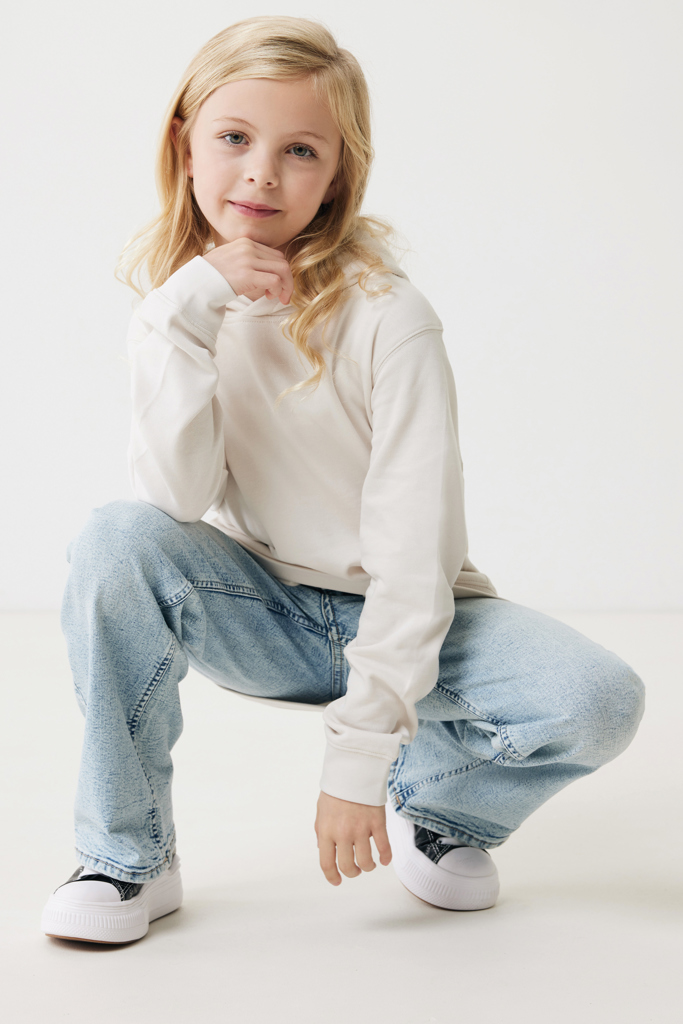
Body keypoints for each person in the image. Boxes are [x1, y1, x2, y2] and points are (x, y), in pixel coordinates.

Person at [41, 16, 646, 944]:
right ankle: (127, 858)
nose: (260, 174)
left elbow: (412, 551)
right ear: (185, 144)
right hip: (263, 611)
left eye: (300, 151)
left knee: (598, 699)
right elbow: (174, 502)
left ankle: (439, 806)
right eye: (234, 138)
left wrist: (358, 762)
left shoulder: (388, 318)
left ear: (336, 176)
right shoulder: (178, 308)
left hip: (416, 613)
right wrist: (182, 314)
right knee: (114, 537)